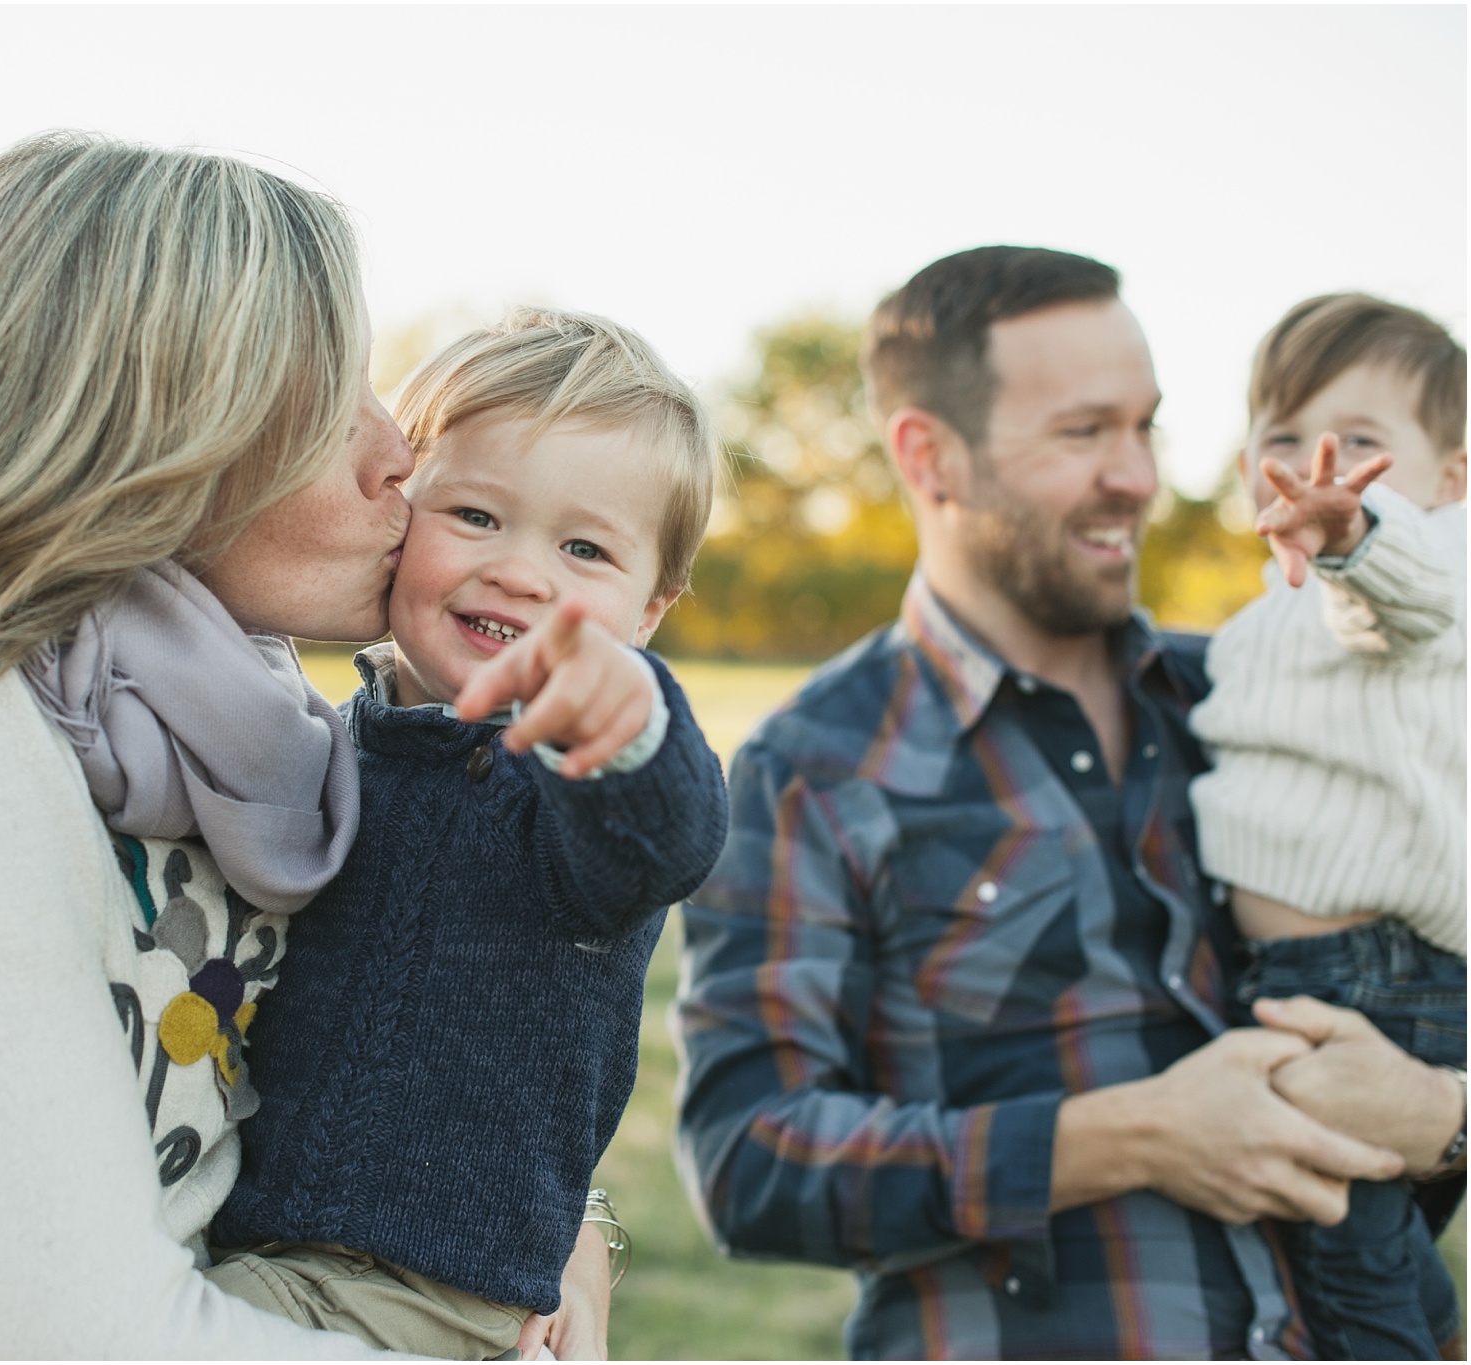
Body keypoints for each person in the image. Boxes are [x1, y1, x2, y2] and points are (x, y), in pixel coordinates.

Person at [0, 132, 611, 1358]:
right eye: (323, 397)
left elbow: (375, 1068)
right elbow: (89, 1336)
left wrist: (558, 1222)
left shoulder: (225, 724)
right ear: (154, 428)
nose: (398, 451)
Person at [672, 246, 1468, 1358]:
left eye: (1143, 427)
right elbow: (749, 1160)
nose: (1139, 476)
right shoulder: (813, 769)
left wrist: (1439, 1119)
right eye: (1082, 433)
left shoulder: (1261, 701)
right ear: (930, 456)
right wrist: (1129, 1137)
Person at [204, 309, 730, 1359]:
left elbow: (664, 845)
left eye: (584, 549)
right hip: (260, 1244)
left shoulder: (569, 784)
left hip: (423, 1297)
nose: (522, 573)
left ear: (647, 613)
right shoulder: (333, 740)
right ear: (401, 511)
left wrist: (630, 721)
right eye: (478, 517)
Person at [1189, 294, 1467, 1358]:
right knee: (1377, 1261)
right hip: (1343, 973)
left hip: (1361, 980)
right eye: (1280, 434)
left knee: (1340, 1283)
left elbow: (1398, 592)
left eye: (1358, 443)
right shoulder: (1276, 606)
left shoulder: (1418, 566)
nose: (1315, 463)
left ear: (1449, 477)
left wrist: (1355, 531)